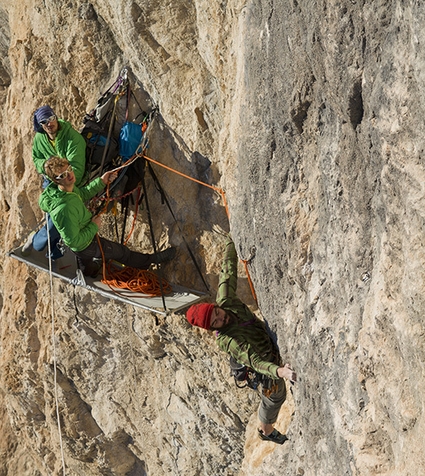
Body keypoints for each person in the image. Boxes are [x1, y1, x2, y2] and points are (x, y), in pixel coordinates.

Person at [186, 234, 296, 444]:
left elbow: (227, 272)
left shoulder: (226, 300)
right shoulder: (230, 341)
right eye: (216, 321)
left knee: (275, 392)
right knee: (275, 396)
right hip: (264, 362)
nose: (221, 316)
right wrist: (280, 371)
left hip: (264, 342)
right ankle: (265, 430)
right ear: (213, 329)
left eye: (217, 312)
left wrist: (231, 239)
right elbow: (257, 362)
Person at [39, 156, 175, 276]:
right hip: (86, 244)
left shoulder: (66, 190)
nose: (69, 175)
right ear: (56, 181)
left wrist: (102, 181)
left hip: (83, 240)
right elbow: (73, 242)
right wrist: (94, 226)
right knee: (122, 252)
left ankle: (88, 270)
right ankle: (150, 261)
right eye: (62, 175)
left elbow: (83, 193)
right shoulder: (63, 209)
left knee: (86, 262)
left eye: (69, 169)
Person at [22, 105, 87, 258]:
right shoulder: (40, 138)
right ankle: (54, 252)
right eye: (44, 122)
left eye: (51, 119)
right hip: (51, 182)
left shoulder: (72, 138)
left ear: (56, 117)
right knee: (57, 221)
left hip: (69, 183)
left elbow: (76, 170)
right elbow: (36, 158)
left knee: (56, 222)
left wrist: (60, 181)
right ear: (40, 125)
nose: (49, 124)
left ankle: (37, 242)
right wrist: (46, 168)